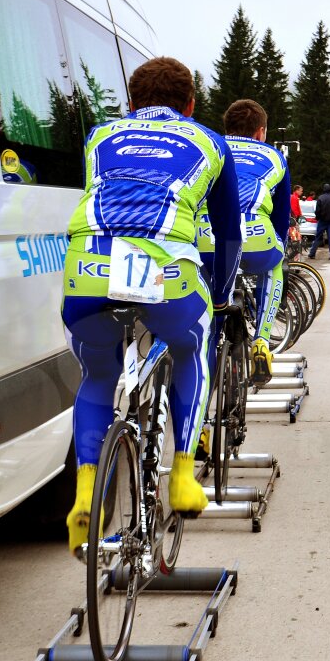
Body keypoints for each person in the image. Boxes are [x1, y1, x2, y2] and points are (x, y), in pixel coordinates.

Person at [61, 57, 242, 555]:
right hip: (166, 269)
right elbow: (228, 233)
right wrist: (221, 295)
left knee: (97, 377)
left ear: (132, 104)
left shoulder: (100, 135)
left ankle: (84, 497)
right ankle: (183, 475)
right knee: (192, 347)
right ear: (190, 104)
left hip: (89, 266)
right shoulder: (210, 141)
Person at [223, 98, 291, 383]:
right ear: (261, 131)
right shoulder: (273, 155)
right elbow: (282, 214)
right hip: (255, 237)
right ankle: (262, 340)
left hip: (209, 239)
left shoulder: (211, 146)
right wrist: (281, 245)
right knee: (274, 263)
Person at [308, 183, 330, 259]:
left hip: (322, 220)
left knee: (318, 237)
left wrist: (318, 218)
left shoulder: (320, 198)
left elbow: (318, 211)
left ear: (324, 189)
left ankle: (312, 253)